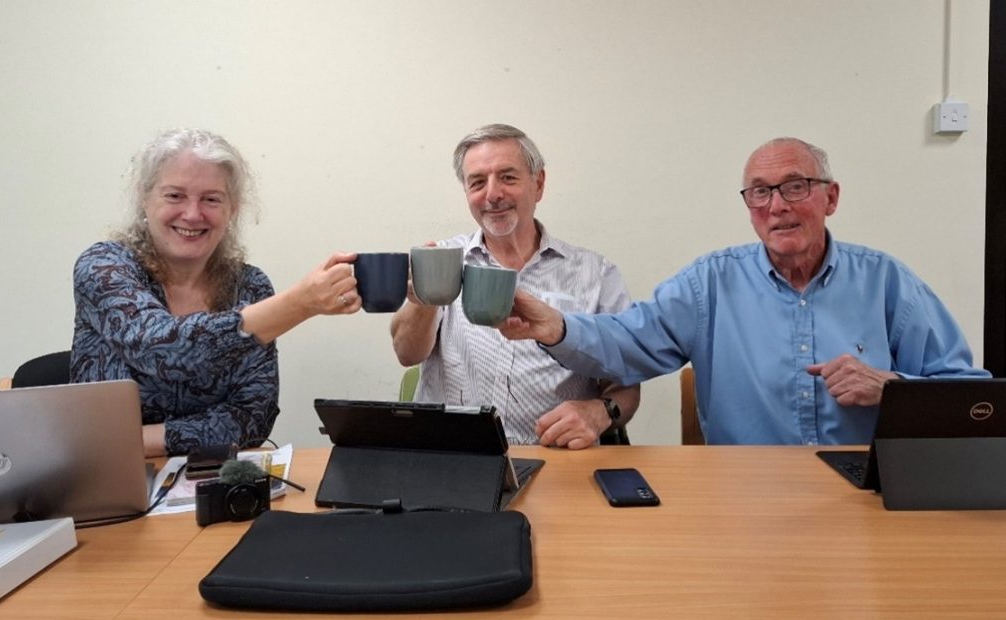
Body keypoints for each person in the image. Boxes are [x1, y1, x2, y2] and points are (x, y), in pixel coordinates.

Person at [498, 137, 990, 445]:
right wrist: (556, 327)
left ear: (831, 197)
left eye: (795, 186)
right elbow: (631, 344)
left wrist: (892, 389)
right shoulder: (709, 284)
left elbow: (972, 401)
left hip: (864, 490)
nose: (776, 205)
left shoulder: (887, 282)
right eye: (760, 192)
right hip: (744, 493)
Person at [71, 128, 362, 457]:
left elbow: (252, 418)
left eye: (211, 199)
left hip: (209, 479)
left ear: (232, 209)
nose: (193, 214)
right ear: (144, 197)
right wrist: (298, 304)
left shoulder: (250, 286)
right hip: (111, 479)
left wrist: (136, 440)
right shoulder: (103, 266)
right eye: (175, 196)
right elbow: (161, 348)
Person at [390, 124, 640, 449]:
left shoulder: (596, 274)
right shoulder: (442, 259)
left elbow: (627, 382)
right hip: (452, 457)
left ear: (538, 184)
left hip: (556, 460)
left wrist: (600, 411)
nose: (493, 194)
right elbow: (406, 353)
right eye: (477, 182)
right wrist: (424, 296)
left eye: (508, 177)